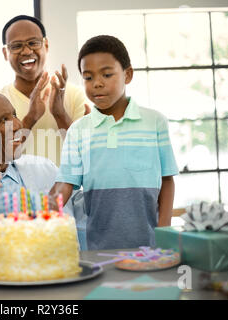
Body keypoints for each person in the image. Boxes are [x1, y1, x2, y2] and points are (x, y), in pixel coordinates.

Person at [49, 35, 179, 250]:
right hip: (98, 248)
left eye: (107, 74)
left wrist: (164, 230)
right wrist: (49, 208)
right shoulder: (78, 130)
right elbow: (66, 182)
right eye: (88, 78)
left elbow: (167, 180)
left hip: (151, 245)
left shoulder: (155, 122)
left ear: (127, 75)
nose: (97, 83)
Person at [0, 88, 87, 256]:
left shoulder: (45, 168)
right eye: (4, 120)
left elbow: (89, 212)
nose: (18, 125)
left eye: (14, 115)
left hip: (49, 275)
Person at [0, 15, 90, 166]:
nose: (27, 51)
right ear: (5, 53)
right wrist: (30, 118)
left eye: (33, 43)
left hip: (66, 189)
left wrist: (60, 114)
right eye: (16, 46)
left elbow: (87, 154)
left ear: (46, 45)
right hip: (17, 190)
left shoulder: (75, 95)